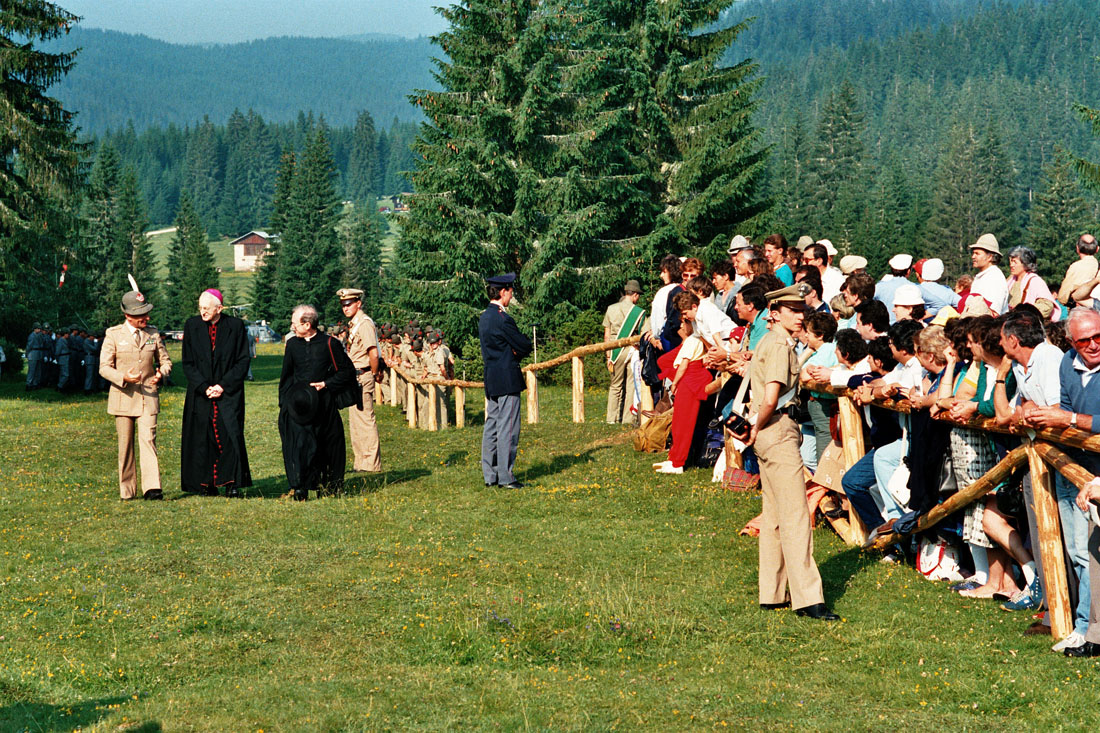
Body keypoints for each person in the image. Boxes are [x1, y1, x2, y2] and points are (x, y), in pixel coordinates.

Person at [745, 282, 837, 620]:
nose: (800, 317)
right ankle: (809, 599)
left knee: (773, 516)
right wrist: (758, 425)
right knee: (796, 517)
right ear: (775, 314)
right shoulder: (781, 346)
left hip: (766, 434)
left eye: (802, 311)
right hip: (778, 430)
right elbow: (771, 397)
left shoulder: (768, 342)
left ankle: (772, 592)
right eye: (792, 311)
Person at [1019, 307, 1100, 654]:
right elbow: (1066, 411)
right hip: (1072, 468)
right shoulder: (1068, 362)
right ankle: (1085, 627)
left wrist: (1065, 417)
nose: (1095, 345)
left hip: (1093, 475)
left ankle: (1086, 629)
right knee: (1079, 553)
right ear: (1071, 341)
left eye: (1099, 337)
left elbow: (1070, 414)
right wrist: (1033, 413)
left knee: (1089, 553)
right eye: (1086, 340)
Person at [99, 290, 172, 500]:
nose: (146, 318)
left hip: (148, 397)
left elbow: (165, 361)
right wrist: (123, 377)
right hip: (123, 398)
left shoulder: (153, 334)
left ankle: (152, 489)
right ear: (128, 316)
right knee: (126, 445)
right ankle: (127, 490)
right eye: (142, 315)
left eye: (147, 314)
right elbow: (104, 367)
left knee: (149, 440)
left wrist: (162, 373)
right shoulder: (113, 334)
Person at [278, 304, 356, 501]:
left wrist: (326, 384)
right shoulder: (293, 344)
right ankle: (300, 487)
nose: (292, 326)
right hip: (298, 406)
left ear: (307, 324)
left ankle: (328, 486)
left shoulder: (330, 343)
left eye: (294, 323)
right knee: (299, 446)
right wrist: (284, 403)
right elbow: (286, 376)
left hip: (323, 405)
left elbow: (346, 372)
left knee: (326, 446)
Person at [180, 289, 252, 498]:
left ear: (219, 308)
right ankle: (206, 484)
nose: (202, 312)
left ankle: (231, 483)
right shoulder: (192, 326)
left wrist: (223, 385)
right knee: (202, 437)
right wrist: (204, 387)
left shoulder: (235, 326)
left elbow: (242, 360)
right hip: (201, 393)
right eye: (200, 308)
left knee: (229, 435)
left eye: (206, 308)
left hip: (228, 392)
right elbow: (188, 362)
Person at [479, 273, 533, 489]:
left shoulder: (484, 317)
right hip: (508, 378)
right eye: (511, 292)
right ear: (503, 292)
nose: (511, 296)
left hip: (491, 378)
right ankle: (506, 477)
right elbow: (525, 345)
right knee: (508, 428)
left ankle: (490, 475)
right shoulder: (503, 319)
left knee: (491, 426)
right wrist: (514, 353)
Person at [338, 287, 383, 472]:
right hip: (354, 375)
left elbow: (373, 353)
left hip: (363, 374)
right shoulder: (354, 323)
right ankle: (361, 462)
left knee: (365, 419)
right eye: (342, 305)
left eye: (349, 304)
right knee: (356, 422)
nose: (345, 308)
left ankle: (371, 464)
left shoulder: (364, 324)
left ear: (358, 303)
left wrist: (373, 373)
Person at [603, 279, 647, 424]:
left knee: (615, 386)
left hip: (615, 350)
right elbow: (643, 334)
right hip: (632, 350)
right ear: (634, 294)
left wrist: (608, 355)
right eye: (638, 295)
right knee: (630, 386)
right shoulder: (639, 312)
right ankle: (627, 420)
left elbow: (607, 334)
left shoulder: (610, 308)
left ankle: (611, 419)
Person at [1006, 246, 1059, 319]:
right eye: (1011, 261)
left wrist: (1024, 312)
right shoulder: (1010, 280)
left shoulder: (1035, 281)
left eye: (1014, 262)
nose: (1011, 265)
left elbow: (1047, 306)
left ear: (1025, 263)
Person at [970, 233, 1008, 315]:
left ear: (990, 257)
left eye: (977, 253)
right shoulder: (982, 276)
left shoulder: (995, 278)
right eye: (973, 253)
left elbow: (994, 313)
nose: (973, 256)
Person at [1057, 234, 1098, 305]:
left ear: (1077, 248)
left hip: (1081, 310)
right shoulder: (1097, 265)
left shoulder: (1075, 267)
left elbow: (1062, 297)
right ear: (1097, 249)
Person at [874, 253, 913, 322]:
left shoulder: (879, 286)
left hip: (884, 327)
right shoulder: (914, 287)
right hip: (906, 327)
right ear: (908, 271)